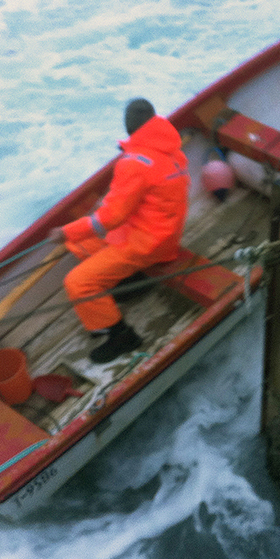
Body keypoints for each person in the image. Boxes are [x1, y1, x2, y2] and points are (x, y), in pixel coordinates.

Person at [50, 98, 190, 363]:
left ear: (130, 129)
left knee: (77, 283)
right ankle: (131, 282)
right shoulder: (171, 148)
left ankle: (121, 335)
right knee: (82, 245)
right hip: (164, 233)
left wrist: (65, 232)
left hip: (146, 243)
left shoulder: (134, 163)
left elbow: (108, 220)